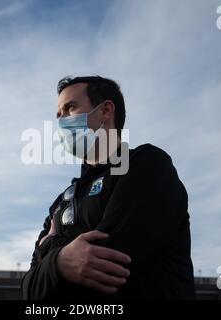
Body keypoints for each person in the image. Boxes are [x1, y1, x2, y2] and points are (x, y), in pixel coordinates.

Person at [21, 76, 195, 299]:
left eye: (70, 108)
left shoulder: (147, 165)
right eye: (58, 115)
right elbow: (28, 292)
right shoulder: (60, 204)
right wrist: (62, 261)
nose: (61, 121)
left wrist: (50, 248)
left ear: (105, 111)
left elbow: (107, 264)